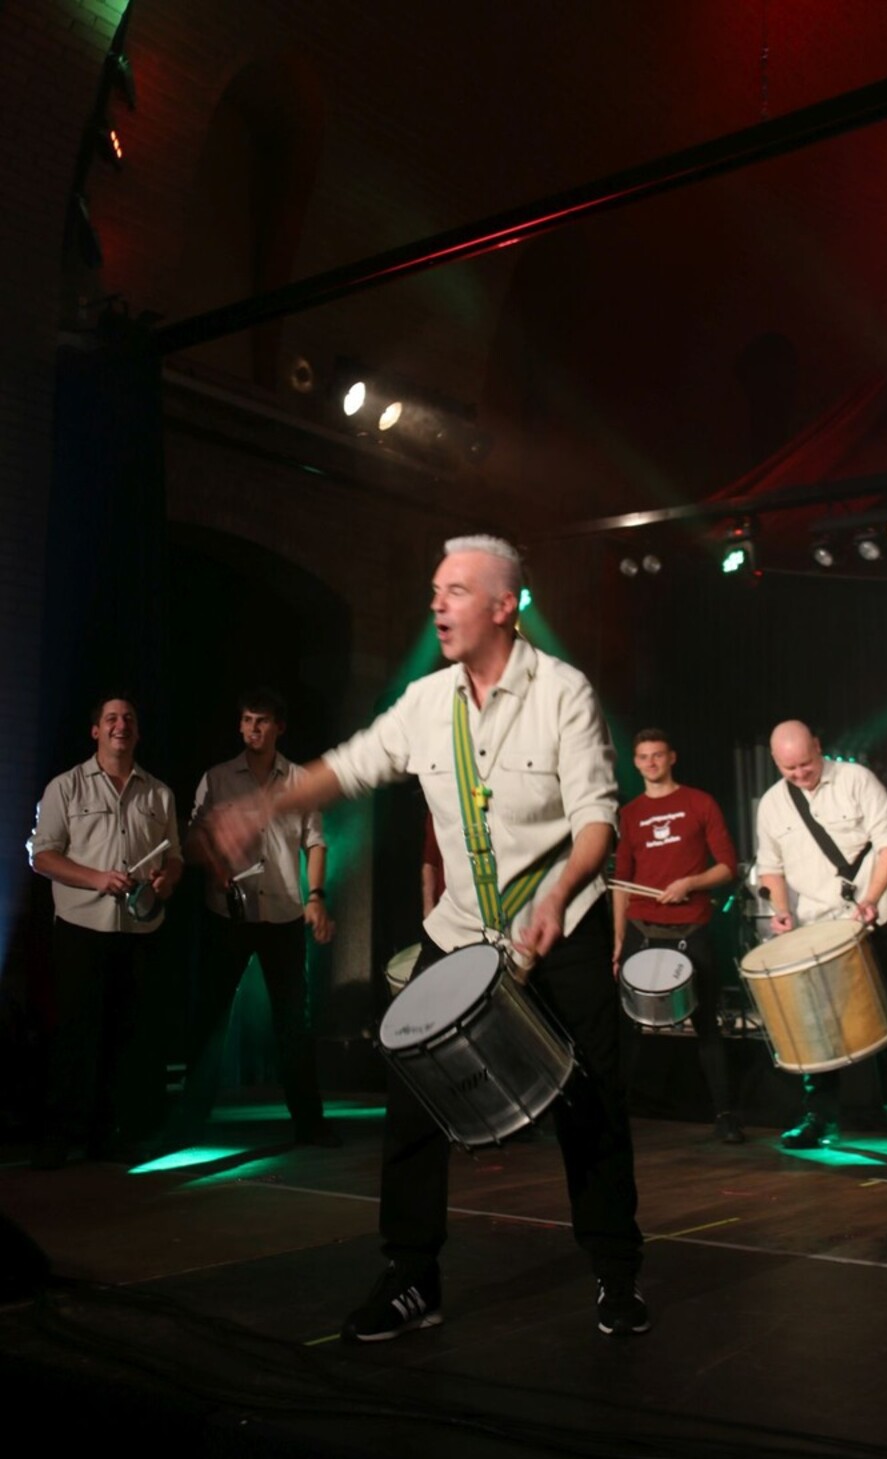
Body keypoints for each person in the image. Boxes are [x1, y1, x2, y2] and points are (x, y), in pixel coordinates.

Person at [208, 536, 647, 1339]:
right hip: (466, 927)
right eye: (435, 590)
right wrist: (266, 805)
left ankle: (616, 1270)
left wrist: (557, 895)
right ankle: (412, 1276)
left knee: (591, 1101)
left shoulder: (562, 692)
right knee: (411, 1093)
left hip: (562, 922)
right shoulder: (426, 700)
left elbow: (597, 820)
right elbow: (348, 765)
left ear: (504, 606)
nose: (437, 604)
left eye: (456, 591)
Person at [755, 719, 887, 1152]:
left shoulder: (855, 779)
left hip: (873, 917)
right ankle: (820, 1117)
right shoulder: (773, 803)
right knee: (818, 1023)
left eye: (806, 763)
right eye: (789, 767)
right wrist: (781, 910)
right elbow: (770, 866)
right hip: (816, 924)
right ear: (775, 761)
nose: (800, 773)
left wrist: (871, 898)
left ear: (818, 745)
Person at [27, 694, 183, 1167]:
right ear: (95, 730)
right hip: (81, 927)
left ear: (138, 731)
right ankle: (59, 1137)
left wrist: (166, 880)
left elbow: (174, 857)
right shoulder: (65, 786)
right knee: (74, 1035)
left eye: (129, 718)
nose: (121, 724)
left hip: (138, 929)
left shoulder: (159, 793)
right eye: (111, 718)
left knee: (124, 1036)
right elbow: (43, 856)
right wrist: (97, 878)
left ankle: (107, 1135)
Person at [179, 687, 336, 1147]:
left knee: (293, 1022)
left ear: (279, 727)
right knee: (211, 1016)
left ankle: (309, 1122)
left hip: (283, 912)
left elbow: (315, 842)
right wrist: (217, 866)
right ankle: (191, 1120)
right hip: (228, 912)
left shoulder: (300, 780)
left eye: (262, 721)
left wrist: (316, 897)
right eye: (247, 720)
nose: (253, 728)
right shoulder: (217, 778)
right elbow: (191, 841)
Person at [612, 729, 744, 1143]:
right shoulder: (629, 814)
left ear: (672, 757)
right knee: (625, 1029)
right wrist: (617, 941)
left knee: (706, 1025)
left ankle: (725, 1115)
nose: (650, 763)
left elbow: (728, 867)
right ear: (636, 763)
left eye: (657, 755)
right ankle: (613, 1117)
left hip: (691, 926)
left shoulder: (700, 803)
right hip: (641, 928)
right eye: (643, 757)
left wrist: (690, 883)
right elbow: (621, 884)